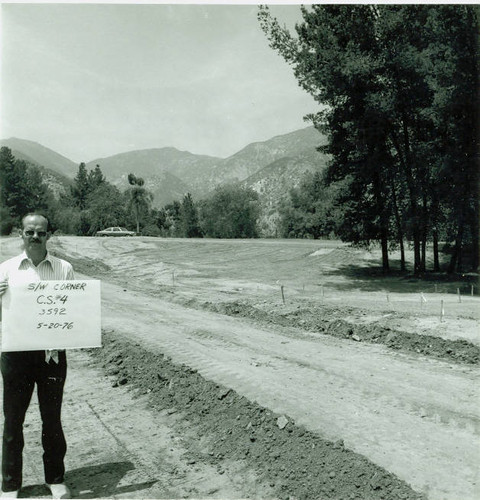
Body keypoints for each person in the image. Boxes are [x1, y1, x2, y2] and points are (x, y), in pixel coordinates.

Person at [0, 214, 74, 499]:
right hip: (15, 354)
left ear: (49, 236)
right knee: (12, 421)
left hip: (50, 354)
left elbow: (72, 312)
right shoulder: (5, 269)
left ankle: (55, 479)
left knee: (52, 419)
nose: (34, 237)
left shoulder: (64, 268)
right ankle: (10, 485)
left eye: (40, 233)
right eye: (29, 232)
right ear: (20, 233)